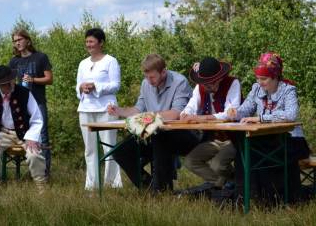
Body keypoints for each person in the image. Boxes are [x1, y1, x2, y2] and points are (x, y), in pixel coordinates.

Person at [107, 53, 200, 194]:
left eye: (152, 77)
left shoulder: (180, 82)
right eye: (146, 77)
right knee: (120, 151)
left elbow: (176, 114)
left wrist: (147, 116)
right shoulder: (146, 84)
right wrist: (118, 110)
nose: (149, 81)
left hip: (185, 136)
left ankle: (159, 191)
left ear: (163, 71)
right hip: (155, 135)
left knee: (160, 138)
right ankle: (148, 186)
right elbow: (138, 109)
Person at [227, 52, 310, 204]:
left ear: (275, 77)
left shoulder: (288, 89)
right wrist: (236, 113)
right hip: (266, 139)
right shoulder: (256, 89)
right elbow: (247, 108)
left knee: (259, 156)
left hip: (291, 141)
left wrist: (261, 118)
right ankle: (247, 197)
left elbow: (291, 115)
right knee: (244, 152)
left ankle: (274, 199)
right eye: (257, 78)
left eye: (264, 78)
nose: (260, 82)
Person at [0, 65, 46, 192]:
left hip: (25, 134)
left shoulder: (25, 93)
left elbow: (37, 118)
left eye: (13, 80)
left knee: (34, 154)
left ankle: (41, 185)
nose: (12, 84)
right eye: (7, 83)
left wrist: (31, 138)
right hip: (3, 133)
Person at [180, 57, 243, 190]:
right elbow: (192, 104)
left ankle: (240, 183)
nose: (206, 85)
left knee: (218, 165)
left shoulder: (233, 83)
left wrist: (202, 118)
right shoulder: (201, 86)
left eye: (210, 83)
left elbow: (230, 113)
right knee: (191, 161)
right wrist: (185, 114)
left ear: (220, 78)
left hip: (234, 137)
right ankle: (226, 186)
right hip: (214, 138)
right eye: (204, 82)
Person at [76, 28, 122, 190]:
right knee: (90, 150)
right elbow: (78, 86)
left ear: (101, 43)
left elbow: (116, 85)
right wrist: (82, 88)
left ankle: (112, 185)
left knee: (109, 146)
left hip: (106, 109)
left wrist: (96, 86)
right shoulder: (83, 63)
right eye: (87, 41)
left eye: (92, 42)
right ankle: (91, 185)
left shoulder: (110, 61)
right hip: (86, 109)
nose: (88, 45)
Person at [9, 29, 53, 178]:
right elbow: (10, 84)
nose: (18, 43)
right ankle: (25, 171)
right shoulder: (14, 61)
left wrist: (33, 80)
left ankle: (44, 172)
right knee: (22, 135)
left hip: (38, 102)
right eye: (15, 41)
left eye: (20, 39)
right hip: (21, 104)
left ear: (28, 40)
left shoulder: (40, 57)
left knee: (42, 135)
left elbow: (49, 79)